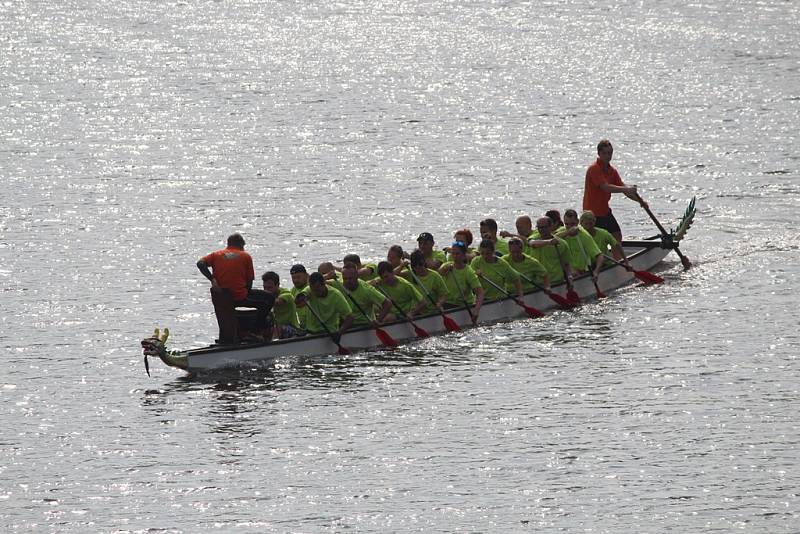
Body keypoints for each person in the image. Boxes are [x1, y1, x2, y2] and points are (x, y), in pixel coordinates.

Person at [197, 233, 274, 340]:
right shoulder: (245, 256)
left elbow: (200, 264)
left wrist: (212, 279)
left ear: (228, 244)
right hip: (239, 297)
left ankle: (237, 333)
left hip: (221, 299)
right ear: (241, 245)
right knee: (269, 299)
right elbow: (249, 283)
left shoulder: (216, 255)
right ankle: (254, 332)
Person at [583, 139, 649, 242]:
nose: (607, 156)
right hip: (592, 213)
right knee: (595, 240)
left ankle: (617, 258)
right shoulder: (594, 169)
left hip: (605, 211)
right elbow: (605, 187)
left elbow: (625, 191)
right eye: (604, 153)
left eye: (609, 153)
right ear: (599, 153)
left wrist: (640, 201)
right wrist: (627, 188)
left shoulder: (612, 171)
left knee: (617, 236)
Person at [295, 272, 354, 339]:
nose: (315, 293)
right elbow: (297, 302)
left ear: (324, 284)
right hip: (311, 333)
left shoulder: (335, 295)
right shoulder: (309, 290)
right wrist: (301, 298)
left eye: (317, 290)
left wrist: (339, 333)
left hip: (330, 333)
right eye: (313, 290)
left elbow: (350, 317)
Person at [439, 241, 484, 322]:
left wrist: (476, 311)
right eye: (453, 254)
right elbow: (438, 274)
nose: (455, 256)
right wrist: (443, 270)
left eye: (457, 254)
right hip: (447, 303)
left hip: (463, 305)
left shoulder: (468, 271)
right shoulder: (446, 266)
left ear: (464, 255)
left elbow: (480, 293)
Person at [556, 209, 605, 277]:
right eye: (566, 224)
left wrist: (596, 272)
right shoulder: (562, 232)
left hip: (580, 273)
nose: (569, 227)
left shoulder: (584, 236)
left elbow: (600, 256)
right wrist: (568, 232)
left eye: (572, 224)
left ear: (577, 222)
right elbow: (551, 240)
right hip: (565, 272)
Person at [402, 249, 449, 315]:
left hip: (432, 312)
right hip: (415, 311)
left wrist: (439, 303)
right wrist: (401, 265)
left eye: (420, 264)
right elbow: (392, 275)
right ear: (412, 266)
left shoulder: (434, 276)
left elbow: (444, 295)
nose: (418, 268)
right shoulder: (410, 274)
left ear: (424, 262)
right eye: (415, 265)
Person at [526, 217, 572, 284]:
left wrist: (569, 277)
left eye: (544, 227)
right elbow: (533, 244)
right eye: (539, 227)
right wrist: (549, 242)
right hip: (538, 282)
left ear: (551, 227)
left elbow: (567, 264)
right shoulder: (533, 238)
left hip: (556, 281)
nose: (541, 230)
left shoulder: (562, 244)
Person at [261, 271, 303, 339]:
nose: (266, 291)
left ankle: (273, 344)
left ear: (277, 285)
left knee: (277, 327)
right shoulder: (267, 296)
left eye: (269, 288)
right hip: (277, 328)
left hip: (293, 329)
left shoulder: (287, 295)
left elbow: (277, 302)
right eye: (264, 287)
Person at [289, 264, 310, 330]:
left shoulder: (312, 287)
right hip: (301, 327)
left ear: (306, 275)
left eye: (298, 277)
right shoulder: (293, 290)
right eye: (293, 278)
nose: (295, 280)